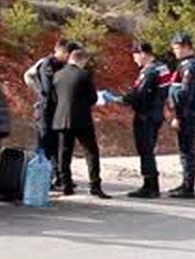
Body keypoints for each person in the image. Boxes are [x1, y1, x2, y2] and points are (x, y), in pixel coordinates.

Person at [51, 47, 111, 199]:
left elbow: (54, 97)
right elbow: (93, 98)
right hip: (81, 119)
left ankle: (66, 185)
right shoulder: (84, 75)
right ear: (82, 60)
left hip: (61, 119)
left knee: (64, 153)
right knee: (91, 152)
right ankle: (95, 186)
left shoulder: (57, 75)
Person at [118, 42, 170, 198]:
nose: (135, 60)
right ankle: (151, 184)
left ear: (143, 54)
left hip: (146, 115)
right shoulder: (163, 67)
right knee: (149, 148)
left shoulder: (149, 71)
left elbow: (140, 95)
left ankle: (150, 186)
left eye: (135, 56)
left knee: (145, 149)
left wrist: (123, 99)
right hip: (156, 112)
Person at [23, 39, 76, 187]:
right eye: (67, 54)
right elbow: (48, 89)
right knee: (45, 144)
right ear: (59, 51)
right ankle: (42, 178)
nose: (68, 57)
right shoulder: (48, 64)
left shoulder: (64, 65)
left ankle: (59, 176)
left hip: (58, 110)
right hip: (47, 109)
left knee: (57, 144)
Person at [167, 32, 195, 199]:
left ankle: (188, 187)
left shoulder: (189, 66)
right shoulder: (190, 64)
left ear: (186, 47)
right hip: (193, 112)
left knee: (186, 150)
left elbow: (185, 94)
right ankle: (186, 183)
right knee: (186, 149)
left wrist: (178, 116)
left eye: (177, 48)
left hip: (189, 114)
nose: (175, 51)